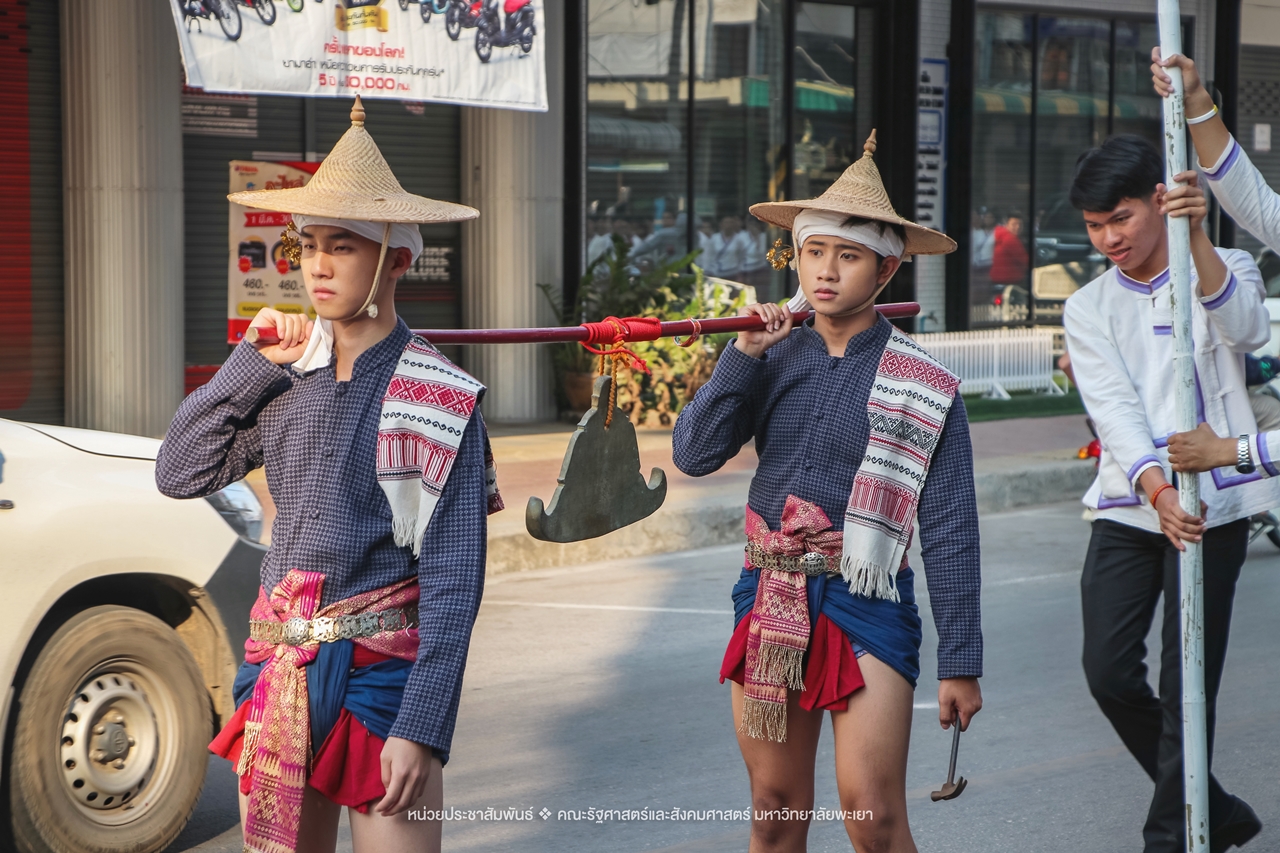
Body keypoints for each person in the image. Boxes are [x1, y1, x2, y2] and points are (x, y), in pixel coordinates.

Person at [155, 97, 500, 853]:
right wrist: (244, 365)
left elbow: (455, 580)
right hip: (278, 670)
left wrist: (424, 725)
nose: (316, 263)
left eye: (342, 245)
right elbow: (179, 471)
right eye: (308, 242)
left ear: (396, 258)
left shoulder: (439, 398)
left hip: (384, 681)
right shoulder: (283, 379)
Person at [673, 131, 981, 853]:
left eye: (848, 255)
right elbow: (693, 453)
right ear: (797, 257)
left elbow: (951, 527)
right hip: (770, 593)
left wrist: (961, 660)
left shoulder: (923, 385)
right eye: (815, 252)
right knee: (774, 808)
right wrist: (740, 361)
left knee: (872, 814)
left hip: (867, 599)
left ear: (886, 269)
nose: (827, 271)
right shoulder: (767, 352)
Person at [1062, 133, 1273, 853]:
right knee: (1109, 671)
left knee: (1191, 687)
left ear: (1160, 199)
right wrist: (1155, 490)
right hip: (1132, 505)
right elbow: (1113, 409)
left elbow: (1247, 326)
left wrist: (1198, 236)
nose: (1107, 238)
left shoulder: (1227, 265)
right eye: (1093, 226)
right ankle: (1213, 807)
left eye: (1119, 218)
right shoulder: (1088, 307)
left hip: (1217, 508)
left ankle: (1173, 837)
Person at [989, 209, 1028, 286]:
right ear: (1006, 224)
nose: (1018, 227)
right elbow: (1026, 261)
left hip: (996, 279)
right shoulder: (1010, 239)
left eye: (1020, 224)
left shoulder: (998, 234)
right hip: (1010, 281)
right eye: (1014, 224)